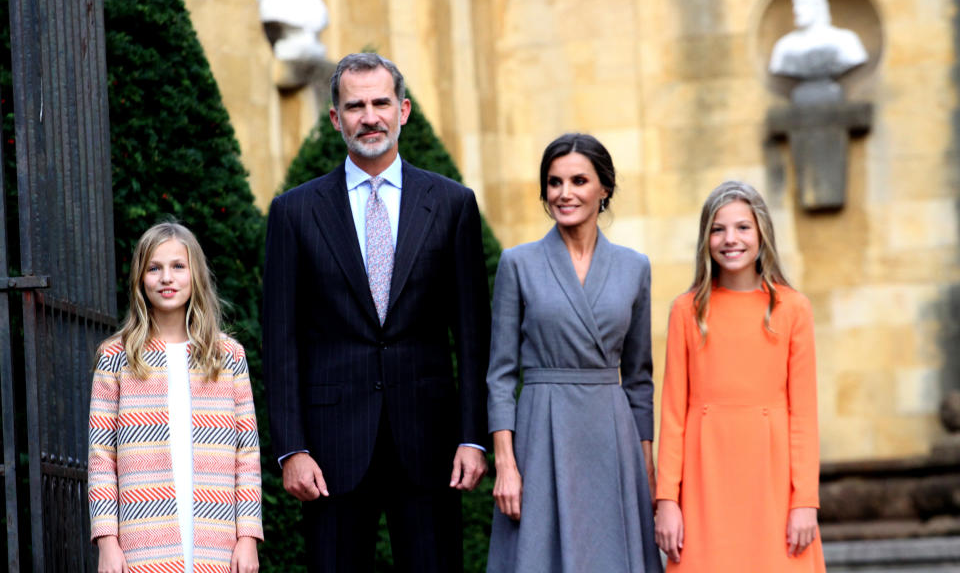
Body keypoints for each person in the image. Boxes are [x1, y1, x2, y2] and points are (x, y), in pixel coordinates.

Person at [262, 52, 491, 572]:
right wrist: (291, 447)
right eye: (355, 105)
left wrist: (473, 436)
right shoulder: (294, 213)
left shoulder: (453, 205)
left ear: (403, 110)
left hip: (429, 441)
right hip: (329, 447)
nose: (370, 116)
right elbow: (280, 339)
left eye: (380, 103)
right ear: (335, 117)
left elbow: (474, 335)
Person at [486, 133, 663, 572]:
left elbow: (639, 378)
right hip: (542, 432)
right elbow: (500, 376)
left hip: (612, 435)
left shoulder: (634, 267)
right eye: (554, 182)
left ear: (604, 188)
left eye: (579, 180)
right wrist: (506, 465)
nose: (565, 193)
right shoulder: (518, 263)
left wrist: (645, 467)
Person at [654, 181, 826, 572]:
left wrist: (805, 502)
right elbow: (673, 415)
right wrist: (667, 501)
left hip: (773, 481)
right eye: (718, 229)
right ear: (706, 239)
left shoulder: (793, 309)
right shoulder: (686, 311)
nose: (730, 239)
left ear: (762, 233)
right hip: (704, 482)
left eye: (742, 227)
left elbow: (803, 416)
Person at [88, 222, 262, 573]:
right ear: (140, 278)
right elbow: (101, 457)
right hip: (142, 539)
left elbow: (247, 455)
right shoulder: (115, 357)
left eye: (177, 267)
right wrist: (107, 541)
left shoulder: (228, 356)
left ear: (195, 274)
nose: (166, 277)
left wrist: (247, 537)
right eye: (154, 268)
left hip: (217, 538)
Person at [768, 0, 867, 80]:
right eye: (795, 4)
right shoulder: (785, 45)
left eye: (803, 3)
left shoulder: (846, 40)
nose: (796, 10)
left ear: (818, 5)